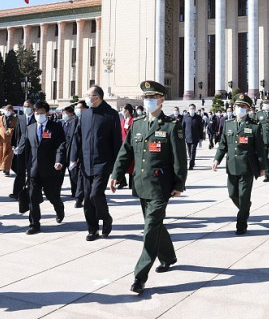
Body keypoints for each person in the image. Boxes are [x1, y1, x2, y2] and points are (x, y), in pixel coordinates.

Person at [110, 80, 187, 295]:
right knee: (154, 224)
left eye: (153, 97)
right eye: (146, 98)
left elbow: (180, 159)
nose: (149, 101)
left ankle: (140, 276)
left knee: (150, 228)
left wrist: (180, 183)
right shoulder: (138, 123)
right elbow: (126, 152)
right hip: (141, 183)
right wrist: (116, 174)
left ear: (162, 99)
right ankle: (169, 257)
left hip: (161, 186)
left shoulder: (172, 126)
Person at [70, 85, 122, 241]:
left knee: (96, 194)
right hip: (86, 163)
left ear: (97, 97)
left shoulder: (111, 115)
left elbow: (117, 142)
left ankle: (106, 218)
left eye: (89, 95)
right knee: (87, 198)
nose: (86, 98)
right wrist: (73, 158)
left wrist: (117, 167)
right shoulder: (84, 115)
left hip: (103, 163)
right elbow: (77, 138)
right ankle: (92, 229)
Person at [213, 93, 266, 235]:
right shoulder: (228, 124)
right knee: (232, 194)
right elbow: (223, 144)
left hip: (247, 166)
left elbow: (260, 148)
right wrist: (217, 159)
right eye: (237, 106)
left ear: (248, 109)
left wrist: (262, 167)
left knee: (243, 196)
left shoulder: (254, 126)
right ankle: (246, 206)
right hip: (231, 165)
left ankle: (241, 224)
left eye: (243, 107)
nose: (239, 109)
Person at [25, 101, 67, 234]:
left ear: (47, 113)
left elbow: (61, 146)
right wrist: (24, 168)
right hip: (33, 170)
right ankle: (34, 224)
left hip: (50, 170)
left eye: (41, 113)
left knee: (52, 195)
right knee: (32, 198)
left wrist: (59, 161)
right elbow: (26, 149)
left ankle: (59, 208)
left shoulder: (55, 127)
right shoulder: (30, 128)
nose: (38, 115)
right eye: (36, 113)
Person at [11, 100, 35, 200]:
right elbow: (16, 132)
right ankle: (17, 192)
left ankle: (31, 192)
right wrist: (13, 144)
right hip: (21, 148)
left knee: (32, 172)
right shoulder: (20, 118)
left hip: (33, 149)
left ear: (33, 107)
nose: (26, 108)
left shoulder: (37, 117)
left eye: (28, 106)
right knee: (20, 172)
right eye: (24, 106)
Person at [0, 104, 18, 176]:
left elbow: (17, 129)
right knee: (0, 155)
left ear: (12, 111)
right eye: (6, 110)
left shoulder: (15, 119)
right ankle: (3, 167)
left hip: (10, 141)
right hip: (0, 141)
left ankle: (6, 169)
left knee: (8, 156)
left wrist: (10, 130)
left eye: (9, 110)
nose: (7, 111)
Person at [115, 103, 135, 190]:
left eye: (123, 110)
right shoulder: (122, 120)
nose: (122, 111)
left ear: (127, 110)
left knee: (132, 165)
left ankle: (132, 183)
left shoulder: (133, 120)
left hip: (131, 145)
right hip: (122, 145)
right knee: (121, 163)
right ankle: (122, 181)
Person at [181, 104, 203, 170]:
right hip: (187, 137)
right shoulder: (185, 117)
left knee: (193, 151)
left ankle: (191, 165)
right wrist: (182, 136)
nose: (192, 110)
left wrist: (201, 137)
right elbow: (182, 127)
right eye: (190, 108)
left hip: (195, 137)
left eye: (193, 108)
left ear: (195, 109)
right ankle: (192, 161)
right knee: (189, 151)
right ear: (188, 109)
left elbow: (200, 128)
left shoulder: (198, 117)